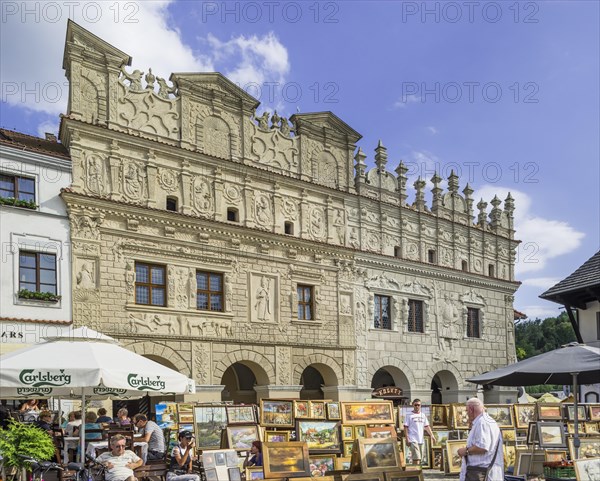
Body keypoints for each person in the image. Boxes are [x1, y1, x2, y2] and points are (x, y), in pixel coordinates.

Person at [457, 398, 503, 481]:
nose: (467, 414)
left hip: (481, 473)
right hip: (482, 472)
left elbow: (482, 447)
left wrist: (465, 451)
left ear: (471, 409)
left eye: (467, 411)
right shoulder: (484, 421)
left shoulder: (482, 422)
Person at [403, 398, 435, 465]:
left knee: (419, 458)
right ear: (413, 405)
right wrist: (407, 438)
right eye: (416, 405)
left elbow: (427, 426)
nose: (417, 406)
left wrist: (432, 435)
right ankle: (417, 472)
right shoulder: (409, 415)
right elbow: (405, 427)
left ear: (420, 406)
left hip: (421, 439)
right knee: (417, 457)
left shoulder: (423, 415)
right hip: (413, 439)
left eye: (418, 405)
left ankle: (415, 471)